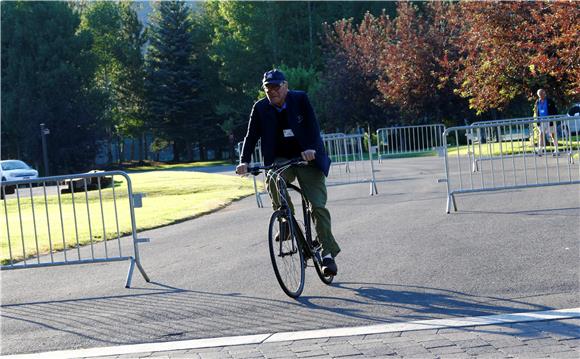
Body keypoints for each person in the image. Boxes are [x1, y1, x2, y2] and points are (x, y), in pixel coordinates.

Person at [235, 69, 340, 276]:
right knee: (273, 178)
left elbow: (312, 127)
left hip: (307, 157)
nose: (271, 91)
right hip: (281, 159)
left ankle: (327, 255)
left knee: (317, 206)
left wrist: (311, 148)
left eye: (275, 87)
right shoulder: (260, 108)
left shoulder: (300, 99)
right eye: (267, 88)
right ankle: (286, 220)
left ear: (285, 86)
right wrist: (244, 161)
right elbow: (251, 136)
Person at [533, 89, 559, 156]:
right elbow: (537, 111)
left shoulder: (549, 101)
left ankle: (556, 149)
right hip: (541, 121)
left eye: (543, 94)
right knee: (541, 135)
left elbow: (554, 111)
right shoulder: (537, 102)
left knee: (553, 135)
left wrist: (553, 119)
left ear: (544, 93)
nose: (542, 95)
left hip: (550, 121)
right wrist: (537, 121)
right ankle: (540, 150)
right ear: (538, 95)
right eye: (540, 94)